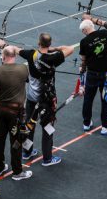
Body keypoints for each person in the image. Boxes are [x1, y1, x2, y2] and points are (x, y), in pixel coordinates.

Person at [16, 33, 74, 162]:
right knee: (48, 128)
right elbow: (70, 48)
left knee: (29, 126)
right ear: (49, 44)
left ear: (38, 43)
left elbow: (14, 49)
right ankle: (47, 159)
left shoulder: (31, 54)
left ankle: (27, 152)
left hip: (31, 98)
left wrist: (3, 44)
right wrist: (55, 48)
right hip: (46, 101)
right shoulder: (53, 58)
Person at [0, 44, 32, 180]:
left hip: (0, 110)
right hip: (15, 113)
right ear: (15, 56)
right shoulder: (23, 68)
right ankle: (17, 171)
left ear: (3, 57)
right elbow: (25, 80)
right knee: (16, 141)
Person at [78, 19, 107, 135]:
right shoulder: (104, 33)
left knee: (88, 99)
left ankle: (86, 123)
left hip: (92, 73)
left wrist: (82, 68)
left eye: (82, 31)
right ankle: (105, 127)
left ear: (85, 30)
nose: (82, 32)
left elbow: (83, 59)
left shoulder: (84, 41)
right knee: (106, 99)